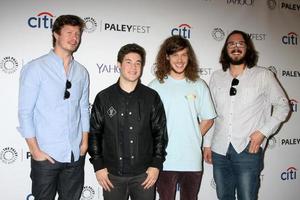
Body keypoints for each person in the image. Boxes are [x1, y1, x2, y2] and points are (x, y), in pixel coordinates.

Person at [203, 30, 290, 200]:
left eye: (240, 43)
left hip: (248, 149)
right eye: (231, 43)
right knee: (223, 196)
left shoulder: (263, 75)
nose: (236, 46)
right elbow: (211, 113)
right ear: (225, 49)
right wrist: (207, 143)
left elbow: (283, 106)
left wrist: (263, 132)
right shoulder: (216, 77)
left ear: (247, 48)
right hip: (219, 149)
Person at [18, 15, 89, 200]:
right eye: (69, 33)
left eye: (78, 33)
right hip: (46, 155)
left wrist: (84, 144)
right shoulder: (36, 68)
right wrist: (35, 151)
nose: (74, 38)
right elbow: (25, 112)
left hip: (74, 156)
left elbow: (83, 109)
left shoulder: (81, 72)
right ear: (56, 34)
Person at [88, 43, 168, 200]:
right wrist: (98, 166)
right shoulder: (104, 98)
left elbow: (160, 133)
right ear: (119, 64)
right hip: (112, 177)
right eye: (128, 62)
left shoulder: (152, 97)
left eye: (138, 63)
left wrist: (156, 165)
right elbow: (94, 134)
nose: (133, 67)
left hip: (144, 176)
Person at [149, 35, 216, 200]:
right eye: (175, 55)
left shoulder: (199, 85)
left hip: (192, 159)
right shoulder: (155, 86)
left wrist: (193, 134)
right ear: (166, 57)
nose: (180, 60)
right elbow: (148, 123)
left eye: (184, 54)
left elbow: (208, 119)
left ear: (189, 57)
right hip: (164, 160)